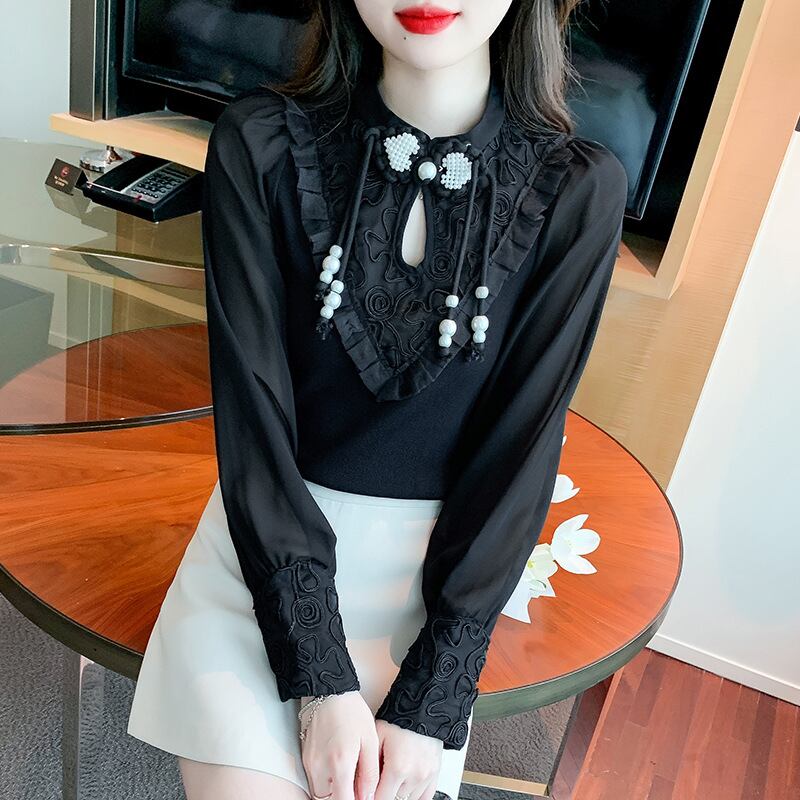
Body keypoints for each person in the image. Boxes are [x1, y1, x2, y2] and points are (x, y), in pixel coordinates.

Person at [126, 1, 628, 799]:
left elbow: (519, 452)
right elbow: (253, 420)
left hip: (432, 583)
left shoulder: (578, 190)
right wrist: (319, 681)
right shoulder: (260, 143)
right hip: (268, 549)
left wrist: (432, 697)